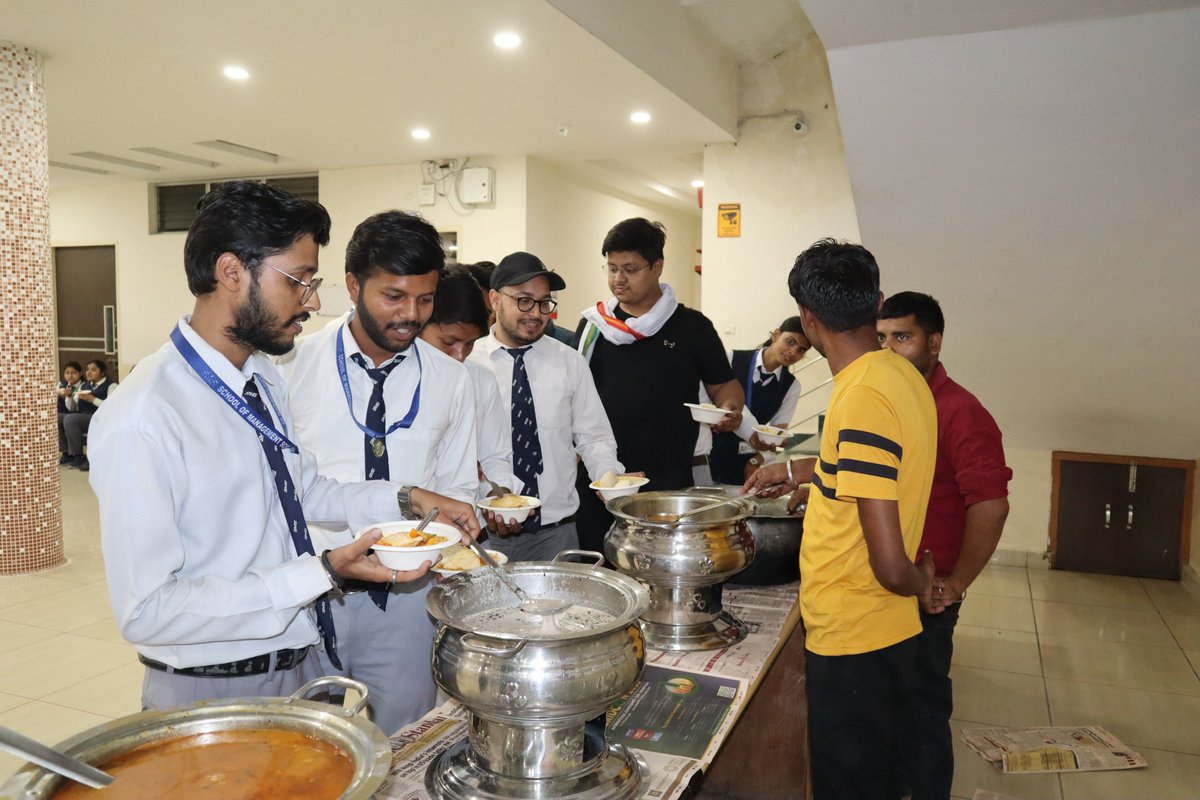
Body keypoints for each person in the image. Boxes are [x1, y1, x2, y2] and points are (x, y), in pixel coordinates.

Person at [88, 180, 477, 711]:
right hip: (215, 683)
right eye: (299, 281)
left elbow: (304, 490)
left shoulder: (260, 377)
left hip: (298, 656)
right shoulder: (146, 416)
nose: (313, 302)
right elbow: (147, 609)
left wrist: (409, 499)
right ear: (231, 272)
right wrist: (321, 572)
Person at [742, 238, 937, 800]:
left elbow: (887, 563)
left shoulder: (861, 399)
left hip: (856, 632)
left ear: (807, 317)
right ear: (876, 303)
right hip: (884, 629)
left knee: (848, 786)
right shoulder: (899, 377)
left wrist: (919, 582)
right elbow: (869, 466)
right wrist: (799, 469)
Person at [277, 210, 479, 733]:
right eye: (393, 296)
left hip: (408, 601)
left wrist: (457, 521)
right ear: (352, 285)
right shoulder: (290, 365)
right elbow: (286, 489)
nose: (410, 314)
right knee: (306, 749)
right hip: (312, 593)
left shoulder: (452, 381)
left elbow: (457, 488)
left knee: (407, 740)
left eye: (425, 299)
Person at [878, 291, 1012, 800]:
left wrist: (955, 585)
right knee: (886, 709)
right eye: (882, 338)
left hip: (926, 593)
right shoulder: (887, 400)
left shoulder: (958, 410)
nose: (889, 350)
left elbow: (991, 505)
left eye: (903, 338)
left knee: (921, 711)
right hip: (885, 580)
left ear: (933, 343)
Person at [574, 218, 744, 552]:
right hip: (600, 481)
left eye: (630, 269)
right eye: (611, 268)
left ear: (657, 267)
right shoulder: (593, 325)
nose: (618, 279)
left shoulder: (691, 326)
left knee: (658, 571)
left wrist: (729, 409)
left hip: (665, 482)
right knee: (597, 570)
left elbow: (725, 386)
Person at [470, 251, 625, 562]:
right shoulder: (469, 363)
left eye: (544, 303)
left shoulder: (569, 361)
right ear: (495, 300)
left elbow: (594, 437)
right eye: (524, 301)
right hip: (483, 535)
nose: (536, 313)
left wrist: (610, 478)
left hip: (557, 535)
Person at [419, 266, 517, 500]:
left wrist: (499, 493)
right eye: (448, 342)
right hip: (415, 526)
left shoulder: (480, 379)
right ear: (420, 325)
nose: (460, 355)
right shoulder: (395, 379)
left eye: (470, 344)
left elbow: (495, 455)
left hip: (471, 524)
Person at [709, 317, 812, 485]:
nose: (793, 352)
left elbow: (776, 435)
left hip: (749, 462)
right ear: (776, 335)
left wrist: (757, 460)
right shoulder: (731, 358)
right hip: (713, 454)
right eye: (790, 342)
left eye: (801, 350)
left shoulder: (792, 386)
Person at [62, 359, 116, 471]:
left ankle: (78, 455)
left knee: (70, 419)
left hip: (100, 417)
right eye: (87, 370)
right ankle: (66, 452)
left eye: (93, 370)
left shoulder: (112, 386)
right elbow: (73, 408)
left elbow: (112, 408)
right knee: (57, 418)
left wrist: (92, 399)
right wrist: (68, 396)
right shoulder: (84, 386)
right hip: (84, 416)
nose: (89, 373)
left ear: (102, 372)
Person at [56, 360, 83, 464]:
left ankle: (76, 454)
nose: (70, 376)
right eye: (67, 373)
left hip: (75, 413)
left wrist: (68, 396)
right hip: (62, 413)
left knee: (65, 419)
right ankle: (65, 451)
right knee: (53, 418)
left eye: (74, 373)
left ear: (80, 373)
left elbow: (73, 407)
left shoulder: (82, 386)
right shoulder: (62, 384)